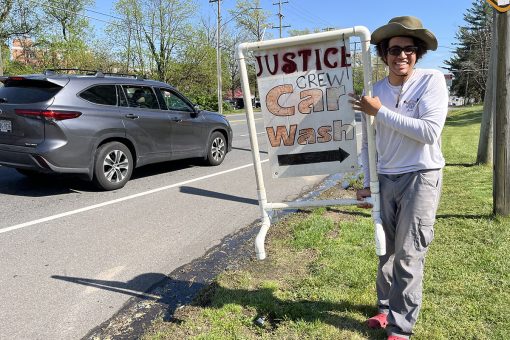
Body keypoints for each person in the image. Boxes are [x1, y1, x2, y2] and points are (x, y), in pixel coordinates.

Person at [349, 16, 448, 340]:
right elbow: (369, 144)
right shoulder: (374, 91)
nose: (401, 55)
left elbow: (429, 132)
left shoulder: (431, 81)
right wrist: (369, 182)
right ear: (384, 53)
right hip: (386, 177)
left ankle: (401, 328)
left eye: (408, 49)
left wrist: (380, 111)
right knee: (385, 251)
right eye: (394, 49)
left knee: (408, 253)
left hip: (421, 176)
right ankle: (384, 308)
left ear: (417, 53)